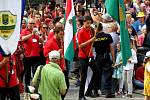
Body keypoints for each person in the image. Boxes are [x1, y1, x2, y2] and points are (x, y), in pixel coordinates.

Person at [77, 16, 99, 100]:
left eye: (90, 23)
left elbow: (92, 41)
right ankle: (80, 96)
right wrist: (91, 40)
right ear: (84, 22)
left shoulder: (91, 30)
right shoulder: (81, 31)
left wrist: (94, 40)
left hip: (90, 55)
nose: (89, 24)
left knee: (96, 72)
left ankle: (89, 90)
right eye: (87, 23)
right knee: (84, 75)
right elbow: (80, 45)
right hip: (83, 56)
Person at [93, 22, 115, 98]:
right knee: (107, 74)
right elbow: (111, 48)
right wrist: (113, 59)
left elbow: (92, 49)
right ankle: (108, 92)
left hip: (98, 57)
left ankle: (95, 91)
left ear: (96, 29)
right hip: (106, 56)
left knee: (97, 74)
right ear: (102, 28)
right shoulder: (108, 36)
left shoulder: (94, 37)